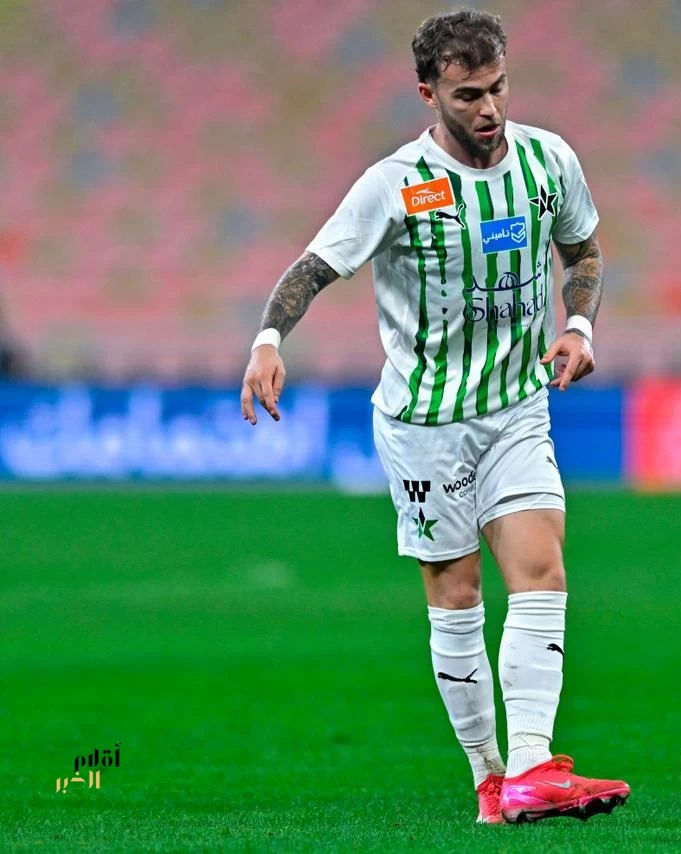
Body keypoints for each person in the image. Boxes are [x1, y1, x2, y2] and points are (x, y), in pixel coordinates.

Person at [239, 9, 628, 825]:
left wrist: (579, 327)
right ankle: (490, 778)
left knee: (542, 571)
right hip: (424, 423)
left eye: (498, 88)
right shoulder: (394, 184)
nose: (489, 109)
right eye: (467, 95)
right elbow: (313, 267)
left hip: (516, 407)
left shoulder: (548, 161)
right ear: (429, 94)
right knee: (456, 594)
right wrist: (269, 341)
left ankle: (532, 766)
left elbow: (584, 249)